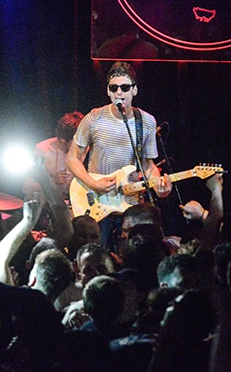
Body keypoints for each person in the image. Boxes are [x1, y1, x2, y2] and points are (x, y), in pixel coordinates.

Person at [66, 61, 172, 247]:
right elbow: (72, 157)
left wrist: (159, 187)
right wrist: (93, 184)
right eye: (113, 88)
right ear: (108, 91)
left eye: (124, 87)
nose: (119, 93)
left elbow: (148, 165)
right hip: (97, 200)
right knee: (100, 253)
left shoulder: (146, 122)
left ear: (135, 90)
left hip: (128, 201)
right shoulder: (93, 118)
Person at [23, 111, 84, 201]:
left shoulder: (85, 149)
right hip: (46, 205)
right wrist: (52, 181)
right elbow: (27, 187)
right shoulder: (42, 150)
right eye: (77, 142)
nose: (81, 145)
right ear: (63, 139)